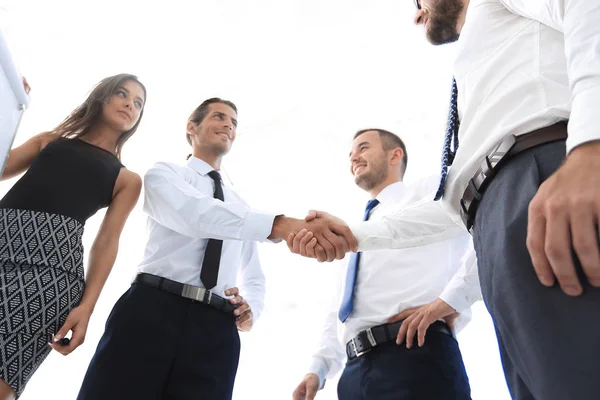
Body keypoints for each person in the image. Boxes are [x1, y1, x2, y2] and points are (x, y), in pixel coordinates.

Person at [291, 1, 600, 398]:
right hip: (494, 217)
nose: (417, 14)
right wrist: (352, 235)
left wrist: (590, 144)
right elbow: (453, 204)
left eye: (419, 1)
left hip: (543, 177)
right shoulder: (479, 63)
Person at [76, 98, 358, 400]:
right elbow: (195, 214)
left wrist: (252, 309)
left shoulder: (241, 208)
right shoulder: (164, 174)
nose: (228, 125)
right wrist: (282, 225)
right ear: (191, 127)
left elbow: (254, 277)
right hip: (150, 310)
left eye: (234, 123)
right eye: (220, 117)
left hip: (215, 330)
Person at [291, 129, 479, 400]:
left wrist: (454, 298)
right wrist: (317, 369)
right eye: (351, 153)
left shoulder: (430, 191)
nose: (354, 156)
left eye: (363, 147)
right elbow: (340, 308)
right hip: (354, 374)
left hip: (416, 354)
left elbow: (486, 224)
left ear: (395, 155)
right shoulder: (356, 230)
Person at [0, 73, 147, 399]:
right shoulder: (49, 141)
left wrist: (87, 307)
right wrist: (7, 102)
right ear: (101, 97)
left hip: (48, 277)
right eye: (122, 94)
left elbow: (107, 242)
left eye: (138, 103)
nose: (129, 104)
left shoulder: (127, 179)